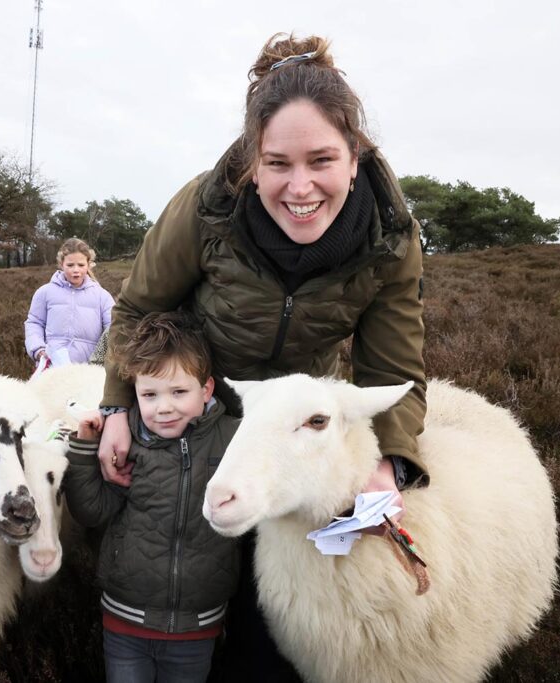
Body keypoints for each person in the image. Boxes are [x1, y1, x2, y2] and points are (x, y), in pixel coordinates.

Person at [95, 34, 429, 681]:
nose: (299, 187)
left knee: (275, 616)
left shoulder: (390, 236)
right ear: (253, 161)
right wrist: (116, 406)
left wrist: (389, 462)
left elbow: (395, 370)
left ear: (354, 159)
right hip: (200, 417)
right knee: (186, 570)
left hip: (298, 435)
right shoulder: (205, 208)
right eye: (277, 163)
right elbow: (136, 309)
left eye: (321, 160)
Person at [63, 311, 241, 683]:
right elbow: (92, 510)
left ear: (206, 389)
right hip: (125, 620)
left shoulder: (233, 439)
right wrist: (83, 448)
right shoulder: (128, 438)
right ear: (135, 392)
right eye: (149, 394)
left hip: (199, 624)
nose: (163, 407)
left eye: (179, 392)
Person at [25, 237, 115, 367]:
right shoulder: (44, 292)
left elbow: (113, 328)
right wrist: (38, 350)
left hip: (88, 372)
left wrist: (99, 359)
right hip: (51, 369)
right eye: (70, 265)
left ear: (89, 264)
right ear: (61, 264)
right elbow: (34, 323)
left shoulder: (102, 296)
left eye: (81, 265)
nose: (76, 270)